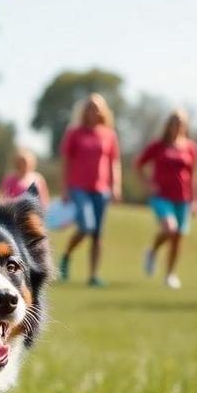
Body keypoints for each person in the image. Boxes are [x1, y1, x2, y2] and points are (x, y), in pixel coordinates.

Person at [58, 93, 121, 287]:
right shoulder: (74, 133)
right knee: (87, 227)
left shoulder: (109, 134)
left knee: (97, 234)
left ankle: (93, 275)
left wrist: (116, 185)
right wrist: (65, 188)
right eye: (90, 107)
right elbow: (66, 161)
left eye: (97, 107)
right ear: (84, 111)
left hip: (101, 189)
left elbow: (114, 161)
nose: (93, 111)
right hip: (78, 187)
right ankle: (67, 255)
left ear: (103, 111)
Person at [135, 109, 197, 289]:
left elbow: (194, 175)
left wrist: (196, 200)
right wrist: (148, 182)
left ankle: (170, 274)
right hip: (162, 196)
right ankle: (152, 251)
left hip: (184, 197)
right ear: (168, 125)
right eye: (174, 122)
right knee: (169, 229)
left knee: (178, 237)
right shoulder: (158, 145)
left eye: (180, 123)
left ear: (185, 126)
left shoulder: (191, 147)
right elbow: (139, 164)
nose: (177, 126)